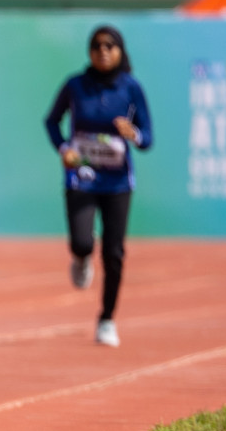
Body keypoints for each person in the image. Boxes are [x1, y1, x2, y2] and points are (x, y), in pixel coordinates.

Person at [43, 26, 152, 347]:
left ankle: (106, 319)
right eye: (96, 46)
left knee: (114, 252)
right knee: (81, 242)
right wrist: (65, 149)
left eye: (110, 46)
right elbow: (51, 121)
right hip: (82, 177)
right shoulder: (75, 85)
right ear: (90, 52)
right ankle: (81, 256)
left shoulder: (131, 88)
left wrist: (134, 134)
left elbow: (148, 137)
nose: (103, 51)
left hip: (117, 182)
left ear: (120, 51)